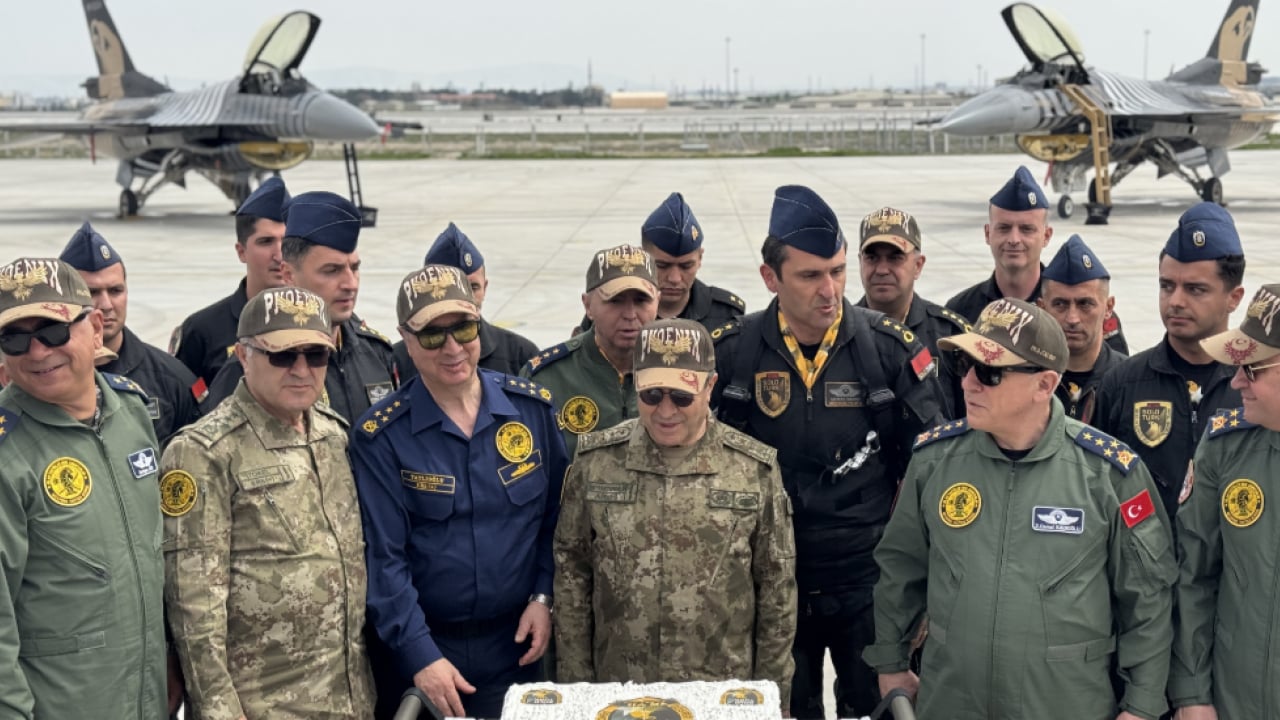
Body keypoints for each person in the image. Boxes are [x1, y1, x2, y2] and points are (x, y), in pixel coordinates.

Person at [866, 298, 1177, 720]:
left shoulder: (1108, 475)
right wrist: (890, 662)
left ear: (1044, 385)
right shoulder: (935, 463)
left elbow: (1148, 601)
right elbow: (900, 569)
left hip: (1065, 706)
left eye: (989, 372)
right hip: (953, 703)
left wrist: (1141, 705)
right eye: (965, 365)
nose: (968, 383)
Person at [711, 185, 946, 720]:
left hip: (868, 582)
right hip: (769, 581)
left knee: (878, 708)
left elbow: (933, 471)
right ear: (770, 277)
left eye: (838, 272)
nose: (831, 290)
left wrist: (925, 589)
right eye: (811, 275)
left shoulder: (888, 351)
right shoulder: (733, 354)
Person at [351, 265, 568, 720]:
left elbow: (556, 520)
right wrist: (420, 656)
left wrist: (542, 596)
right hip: (424, 650)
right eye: (432, 335)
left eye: (465, 329)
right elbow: (384, 559)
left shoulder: (531, 410)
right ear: (406, 339)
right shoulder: (382, 436)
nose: (452, 348)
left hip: (517, 645)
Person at [554, 319, 797, 709]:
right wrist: (577, 692)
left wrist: (771, 701)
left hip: (720, 696)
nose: (665, 411)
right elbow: (572, 576)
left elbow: (777, 595)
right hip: (620, 693)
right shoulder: (597, 463)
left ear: (709, 386)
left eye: (682, 397)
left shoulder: (753, 471)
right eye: (651, 395)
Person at [160, 286, 374, 719]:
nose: (301, 369)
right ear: (243, 355)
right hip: (262, 705)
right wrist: (219, 711)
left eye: (316, 355)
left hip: (349, 699)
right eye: (282, 356)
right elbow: (194, 609)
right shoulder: (204, 453)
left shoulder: (334, 436)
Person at [0, 257, 167, 718]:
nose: (37, 352)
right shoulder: (8, 454)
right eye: (14, 338)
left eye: (53, 331)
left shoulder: (131, 412)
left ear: (94, 328)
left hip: (147, 699)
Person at [1169, 284, 1280, 719]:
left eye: (1251, 369)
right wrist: (1192, 693)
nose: (1235, 382)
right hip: (1236, 701)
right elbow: (1193, 576)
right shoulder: (1225, 447)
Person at [1093, 203, 1246, 518]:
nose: (1175, 301)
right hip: (1145, 550)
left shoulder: (1256, 386)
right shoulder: (1122, 384)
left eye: (1195, 289)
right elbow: (1096, 492)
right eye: (1167, 286)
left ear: (1234, 298)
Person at [206, 190, 398, 422]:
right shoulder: (257, 363)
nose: (350, 284)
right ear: (288, 274)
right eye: (331, 271)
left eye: (354, 268)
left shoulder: (375, 353)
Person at [946, 166, 1128, 354]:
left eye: (1026, 229)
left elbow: (1116, 369)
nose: (1014, 239)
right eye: (1004, 228)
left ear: (1046, 236)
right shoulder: (960, 310)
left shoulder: (1085, 310)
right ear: (987, 233)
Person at [60, 222, 206, 445]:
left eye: (115, 291)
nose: (106, 305)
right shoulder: (39, 377)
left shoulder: (172, 380)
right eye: (92, 292)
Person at [522, 244, 659, 458]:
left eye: (641, 301)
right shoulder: (547, 378)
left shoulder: (680, 368)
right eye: (615, 301)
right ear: (588, 306)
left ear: (658, 301)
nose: (630, 314)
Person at [171, 176, 289, 385]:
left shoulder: (322, 322)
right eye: (266, 242)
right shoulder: (203, 332)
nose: (279, 255)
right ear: (241, 251)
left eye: (288, 241)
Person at [854, 205, 970, 417]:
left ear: (918, 265)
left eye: (895, 257)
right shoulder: (839, 334)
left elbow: (972, 422)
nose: (882, 269)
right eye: (872, 258)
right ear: (860, 262)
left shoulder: (950, 336)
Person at [574, 192, 745, 334]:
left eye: (686, 266)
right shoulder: (611, 310)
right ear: (642, 258)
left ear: (700, 259)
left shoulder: (726, 313)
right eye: (662, 266)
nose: (675, 278)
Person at [392, 222, 537, 378]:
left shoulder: (520, 355)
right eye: (451, 290)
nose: (466, 300)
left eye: (473, 287)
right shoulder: (396, 361)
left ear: (485, 287)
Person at [1037, 234, 1128, 424]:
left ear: (1108, 307)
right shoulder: (1025, 380)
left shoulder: (1131, 380)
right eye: (1060, 304)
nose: (1072, 319)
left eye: (1085, 304)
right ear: (1042, 308)